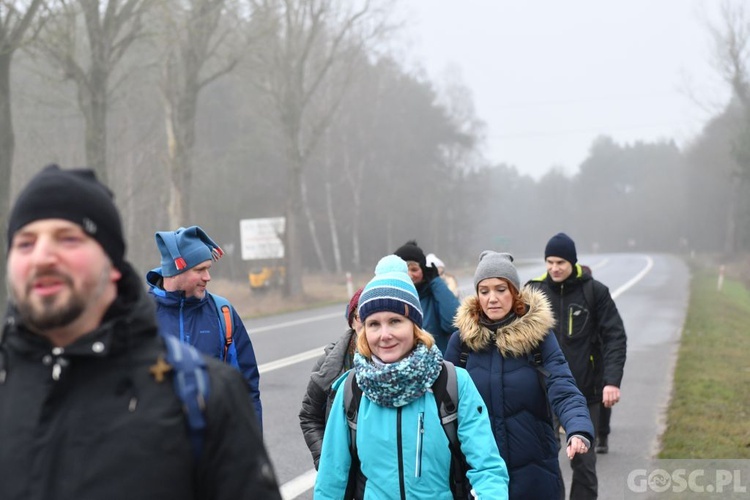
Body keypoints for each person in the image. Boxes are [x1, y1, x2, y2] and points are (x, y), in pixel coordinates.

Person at [0, 164, 281, 499]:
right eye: (25, 243)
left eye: (69, 239)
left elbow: (249, 385)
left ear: (113, 265)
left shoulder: (208, 394)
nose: (43, 256)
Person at [314, 255, 509, 499]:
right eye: (374, 324)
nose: (384, 335)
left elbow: (487, 468)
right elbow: (331, 480)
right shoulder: (351, 390)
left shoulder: (453, 383)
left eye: (395, 321)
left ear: (415, 325)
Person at [444, 250, 594, 500]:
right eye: (484, 291)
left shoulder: (539, 339)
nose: (492, 298)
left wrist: (577, 428)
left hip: (535, 472)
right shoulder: (461, 343)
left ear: (514, 293)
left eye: (501, 289)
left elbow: (562, 386)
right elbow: (441, 404)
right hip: (479, 474)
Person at [526, 232, 627, 500]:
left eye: (560, 262)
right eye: (549, 262)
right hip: (542, 392)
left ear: (573, 262)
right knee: (545, 460)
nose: (554, 268)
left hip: (585, 392)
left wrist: (611, 381)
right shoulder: (533, 292)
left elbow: (615, 337)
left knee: (583, 462)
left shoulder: (595, 292)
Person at [146, 226, 263, 426]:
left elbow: (247, 389)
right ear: (175, 271)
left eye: (208, 269)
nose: (207, 277)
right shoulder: (141, 317)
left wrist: (251, 449)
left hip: (214, 446)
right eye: (199, 270)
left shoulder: (222, 312)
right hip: (156, 448)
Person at [299, 286, 364, 470]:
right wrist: (325, 462)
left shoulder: (398, 361)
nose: (367, 323)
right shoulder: (330, 363)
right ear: (352, 321)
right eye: (361, 316)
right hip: (344, 472)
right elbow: (309, 417)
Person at [394, 240, 460, 353]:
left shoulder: (434, 294)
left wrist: (436, 282)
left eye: (414, 269)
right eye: (404, 270)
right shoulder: (388, 299)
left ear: (423, 272)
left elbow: (454, 323)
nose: (409, 275)